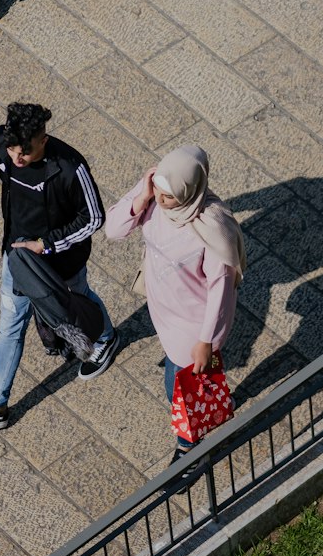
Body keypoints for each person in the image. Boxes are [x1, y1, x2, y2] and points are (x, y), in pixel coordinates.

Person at [0, 102, 120, 435]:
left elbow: (95, 218)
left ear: (44, 139)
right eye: (12, 148)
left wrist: (47, 243)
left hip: (59, 261)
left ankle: (105, 337)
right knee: (10, 326)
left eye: (25, 151)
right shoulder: (1, 144)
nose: (16, 157)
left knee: (78, 297)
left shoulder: (70, 168)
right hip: (16, 258)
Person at [104, 145, 245, 461]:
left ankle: (188, 443)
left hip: (191, 323)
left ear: (190, 191)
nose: (161, 200)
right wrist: (141, 197)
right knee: (191, 380)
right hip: (162, 309)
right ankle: (217, 404)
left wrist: (206, 340)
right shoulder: (153, 195)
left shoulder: (211, 227)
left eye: (169, 196)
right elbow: (113, 230)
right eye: (158, 190)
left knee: (177, 388)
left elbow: (221, 288)